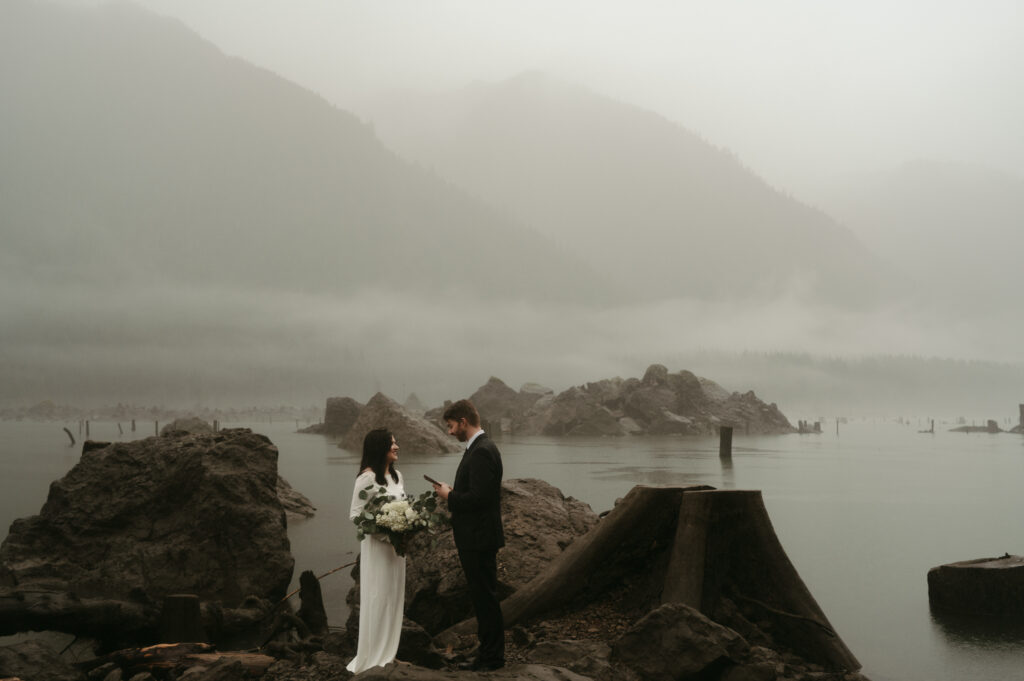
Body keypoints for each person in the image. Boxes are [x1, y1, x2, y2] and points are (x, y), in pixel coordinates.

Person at [432, 399, 505, 671]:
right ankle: (488, 653)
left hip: (478, 538)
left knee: (485, 599)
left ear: (463, 421)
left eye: (451, 426)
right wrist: (452, 491)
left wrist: (449, 495)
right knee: (483, 597)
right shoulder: (479, 448)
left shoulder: (482, 451)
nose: (450, 432)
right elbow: (478, 493)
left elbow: (479, 499)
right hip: (478, 536)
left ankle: (492, 658)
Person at [347, 428, 406, 674]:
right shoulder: (366, 478)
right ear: (380, 447)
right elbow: (355, 515)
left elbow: (403, 507)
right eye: (392, 443)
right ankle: (373, 657)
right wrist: (384, 532)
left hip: (397, 549)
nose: (397, 446)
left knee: (394, 597)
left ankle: (389, 652)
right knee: (378, 597)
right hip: (378, 547)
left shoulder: (397, 476)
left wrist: (407, 525)